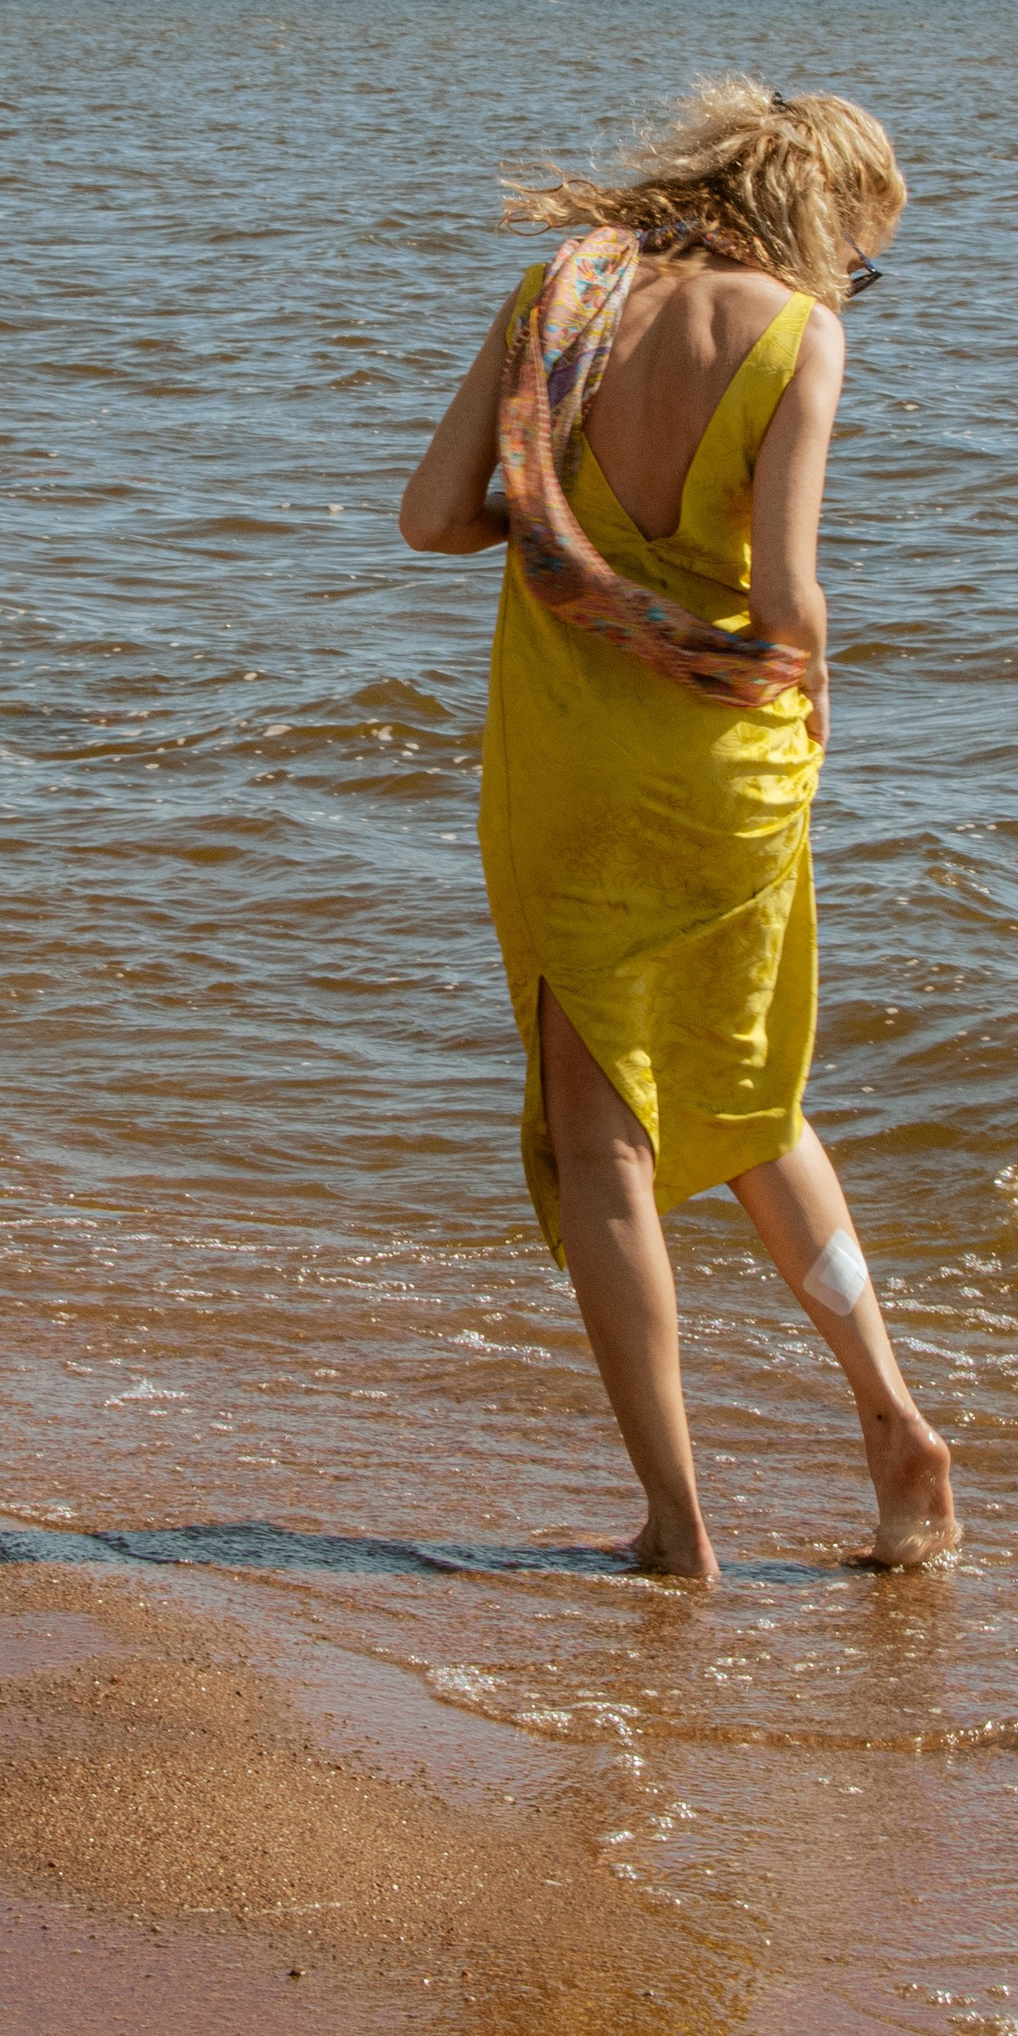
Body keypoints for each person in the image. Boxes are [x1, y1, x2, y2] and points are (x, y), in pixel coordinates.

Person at [398, 79, 958, 1579]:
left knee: (607, 1150)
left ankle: (678, 1522)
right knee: (757, 1100)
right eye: (864, 252)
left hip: (577, 772)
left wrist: (568, 527)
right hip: (733, 777)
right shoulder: (798, 335)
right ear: (825, 219)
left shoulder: (560, 299)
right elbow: (785, 599)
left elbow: (433, 517)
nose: (854, 283)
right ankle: (894, 1419)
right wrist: (817, 687)